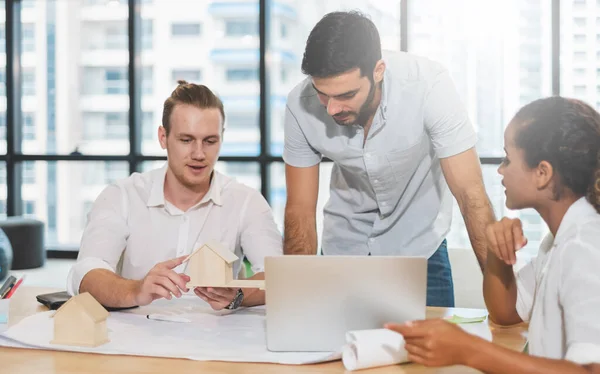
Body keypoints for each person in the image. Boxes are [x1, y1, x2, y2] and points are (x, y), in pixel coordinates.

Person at [282, 11, 495, 307]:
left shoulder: (428, 85)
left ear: (378, 70)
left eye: (346, 94)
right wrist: (294, 301)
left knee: (429, 353)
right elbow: (300, 211)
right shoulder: (299, 105)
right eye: (322, 94)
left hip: (420, 251)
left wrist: (505, 301)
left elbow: (471, 195)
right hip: (343, 251)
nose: (332, 109)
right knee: (326, 350)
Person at [387, 97, 600, 372]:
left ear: (542, 173)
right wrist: (498, 252)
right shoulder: (556, 243)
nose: (500, 170)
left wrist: (469, 350)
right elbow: (506, 314)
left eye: (508, 159)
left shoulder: (585, 246)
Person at [67, 81, 283, 311]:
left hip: (214, 340)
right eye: (186, 140)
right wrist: (136, 290)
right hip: (138, 339)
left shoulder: (245, 201)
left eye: (210, 141)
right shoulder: (122, 196)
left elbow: (278, 276)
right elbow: (86, 272)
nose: (199, 154)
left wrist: (238, 295)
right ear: (163, 137)